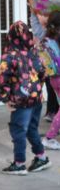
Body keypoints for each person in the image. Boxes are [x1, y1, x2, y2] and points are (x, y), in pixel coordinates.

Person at [0, 21, 51, 175]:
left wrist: (5, 98)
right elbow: (43, 73)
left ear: (11, 36)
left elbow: (3, 78)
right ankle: (41, 157)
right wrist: (37, 88)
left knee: (18, 129)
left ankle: (19, 163)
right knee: (32, 128)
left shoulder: (9, 55)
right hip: (36, 98)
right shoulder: (33, 53)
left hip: (20, 100)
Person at [31, 12, 58, 122]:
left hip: (52, 74)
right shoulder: (49, 38)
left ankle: (53, 114)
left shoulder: (45, 40)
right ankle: (53, 114)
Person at [39, 11, 60, 149]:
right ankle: (49, 137)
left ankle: (50, 137)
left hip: (53, 78)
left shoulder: (44, 41)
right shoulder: (58, 40)